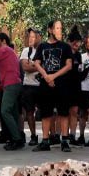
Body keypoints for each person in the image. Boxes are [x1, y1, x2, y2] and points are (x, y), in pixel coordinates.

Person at [32, 19, 73, 153]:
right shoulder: (42, 46)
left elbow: (69, 65)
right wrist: (46, 76)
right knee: (46, 112)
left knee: (63, 112)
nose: (59, 30)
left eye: (61, 28)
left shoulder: (65, 47)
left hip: (62, 83)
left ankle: (65, 140)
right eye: (57, 28)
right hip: (46, 83)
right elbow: (37, 63)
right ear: (50, 30)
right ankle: (45, 140)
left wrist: (53, 76)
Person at [19, 28, 42, 146]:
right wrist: (38, 66)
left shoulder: (43, 50)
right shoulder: (25, 51)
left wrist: (32, 65)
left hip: (41, 85)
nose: (31, 39)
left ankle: (48, 136)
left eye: (33, 37)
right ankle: (33, 135)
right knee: (29, 111)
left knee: (45, 111)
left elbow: (45, 66)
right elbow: (25, 68)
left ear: (39, 37)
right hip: (28, 85)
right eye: (30, 37)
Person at [75, 33, 89, 145]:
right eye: (87, 43)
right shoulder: (81, 57)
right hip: (83, 88)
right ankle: (81, 135)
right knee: (83, 113)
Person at [66, 27, 83, 146]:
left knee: (74, 111)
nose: (77, 44)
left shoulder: (79, 56)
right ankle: (63, 134)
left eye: (78, 42)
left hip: (76, 86)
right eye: (74, 41)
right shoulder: (65, 54)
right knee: (64, 112)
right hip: (65, 85)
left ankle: (72, 134)